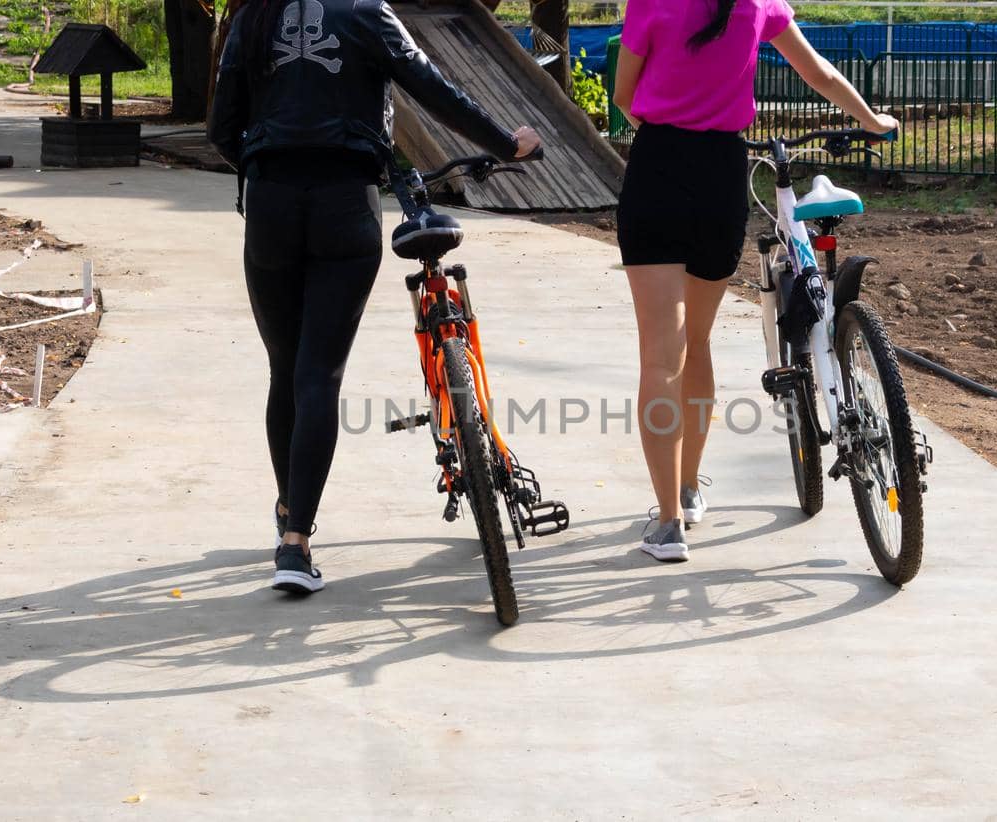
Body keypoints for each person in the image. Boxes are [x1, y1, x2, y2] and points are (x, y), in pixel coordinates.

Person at [209, 0, 541, 594]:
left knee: (285, 371)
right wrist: (504, 142)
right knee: (319, 375)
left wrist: (266, 169)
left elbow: (219, 128)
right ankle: (295, 544)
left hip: (270, 208)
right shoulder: (366, 11)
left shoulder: (254, 16)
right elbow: (435, 91)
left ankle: (290, 520)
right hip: (345, 203)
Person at [612, 0, 899, 562]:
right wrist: (872, 120)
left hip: (657, 172)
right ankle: (691, 490)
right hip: (721, 176)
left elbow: (624, 98)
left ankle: (668, 525)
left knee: (659, 357)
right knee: (697, 341)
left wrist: (671, 120)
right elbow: (819, 72)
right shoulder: (757, 4)